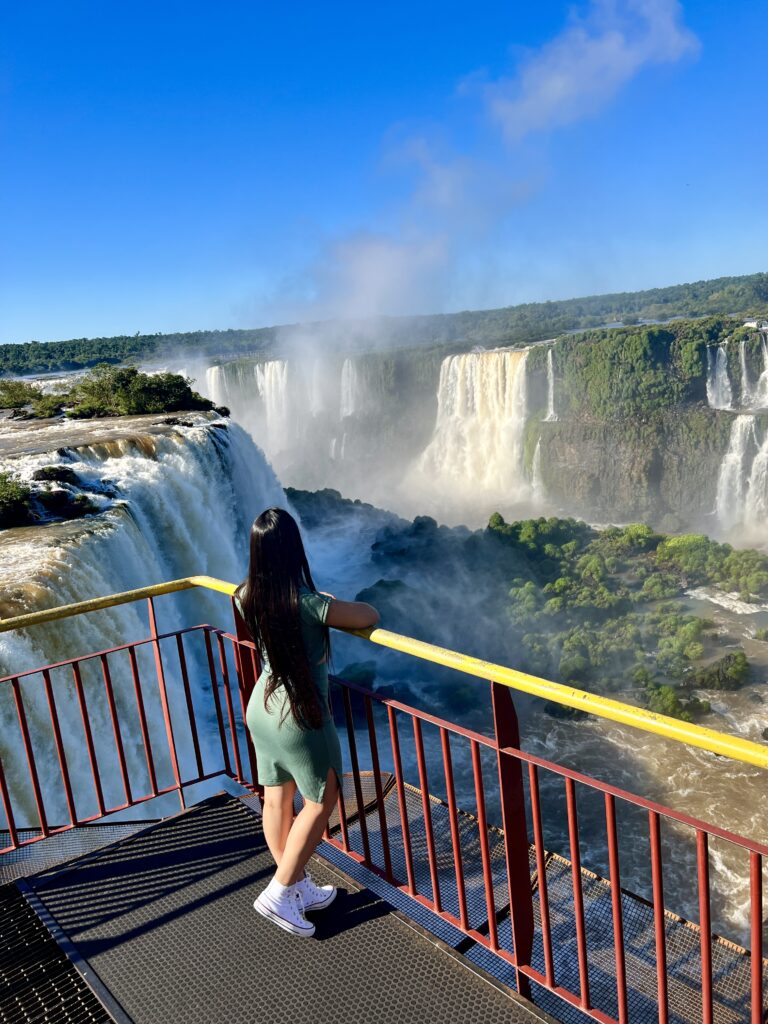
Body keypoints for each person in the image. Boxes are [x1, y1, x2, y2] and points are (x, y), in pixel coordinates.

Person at [234, 507, 380, 938]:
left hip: (261, 707)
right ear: (293, 550)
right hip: (301, 714)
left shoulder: (244, 595)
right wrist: (329, 602)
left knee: (277, 799)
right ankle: (280, 891)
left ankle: (294, 884)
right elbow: (368, 615)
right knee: (320, 799)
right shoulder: (311, 604)